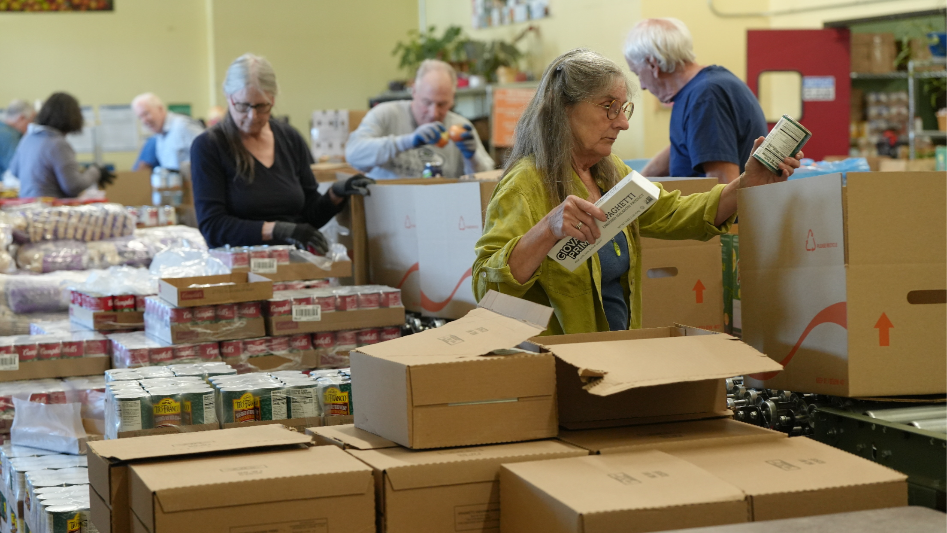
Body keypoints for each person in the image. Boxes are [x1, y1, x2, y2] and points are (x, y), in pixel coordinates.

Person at [473, 49, 801, 336]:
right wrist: (546, 230)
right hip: (559, 368)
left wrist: (747, 182)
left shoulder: (608, 171)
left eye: (623, 109)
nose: (622, 123)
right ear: (564, 109)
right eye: (608, 107)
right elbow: (486, 288)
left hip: (616, 351)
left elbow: (677, 212)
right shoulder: (525, 183)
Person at [191, 53, 374, 250]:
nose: (252, 116)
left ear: (273, 99)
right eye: (243, 106)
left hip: (292, 268)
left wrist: (335, 194)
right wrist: (278, 230)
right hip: (238, 269)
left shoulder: (290, 139)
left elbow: (308, 217)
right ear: (228, 97)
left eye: (262, 106)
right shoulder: (209, 146)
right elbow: (213, 226)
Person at [624, 18, 768, 184]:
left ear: (652, 64)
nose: (642, 86)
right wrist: (638, 183)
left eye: (637, 73)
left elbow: (724, 184)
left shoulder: (706, 97)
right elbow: (689, 145)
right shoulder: (703, 87)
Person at [346, 59, 495, 179]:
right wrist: (407, 141)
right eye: (427, 102)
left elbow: (487, 181)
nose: (433, 113)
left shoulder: (460, 126)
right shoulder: (386, 114)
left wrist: (472, 158)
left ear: (452, 98)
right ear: (414, 92)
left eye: (442, 104)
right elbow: (353, 155)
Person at [8, 92, 115, 198]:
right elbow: (73, 186)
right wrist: (96, 171)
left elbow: (15, 171)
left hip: (26, 206)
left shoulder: (28, 138)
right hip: (51, 209)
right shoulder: (58, 144)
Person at [131, 93, 204, 172]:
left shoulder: (182, 125)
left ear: (160, 109)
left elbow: (209, 153)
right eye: (140, 117)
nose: (144, 120)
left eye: (146, 114)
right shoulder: (160, 135)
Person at [0, 100, 35, 177]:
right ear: (21, 118)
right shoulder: (9, 135)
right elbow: (16, 170)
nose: (32, 125)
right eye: (31, 120)